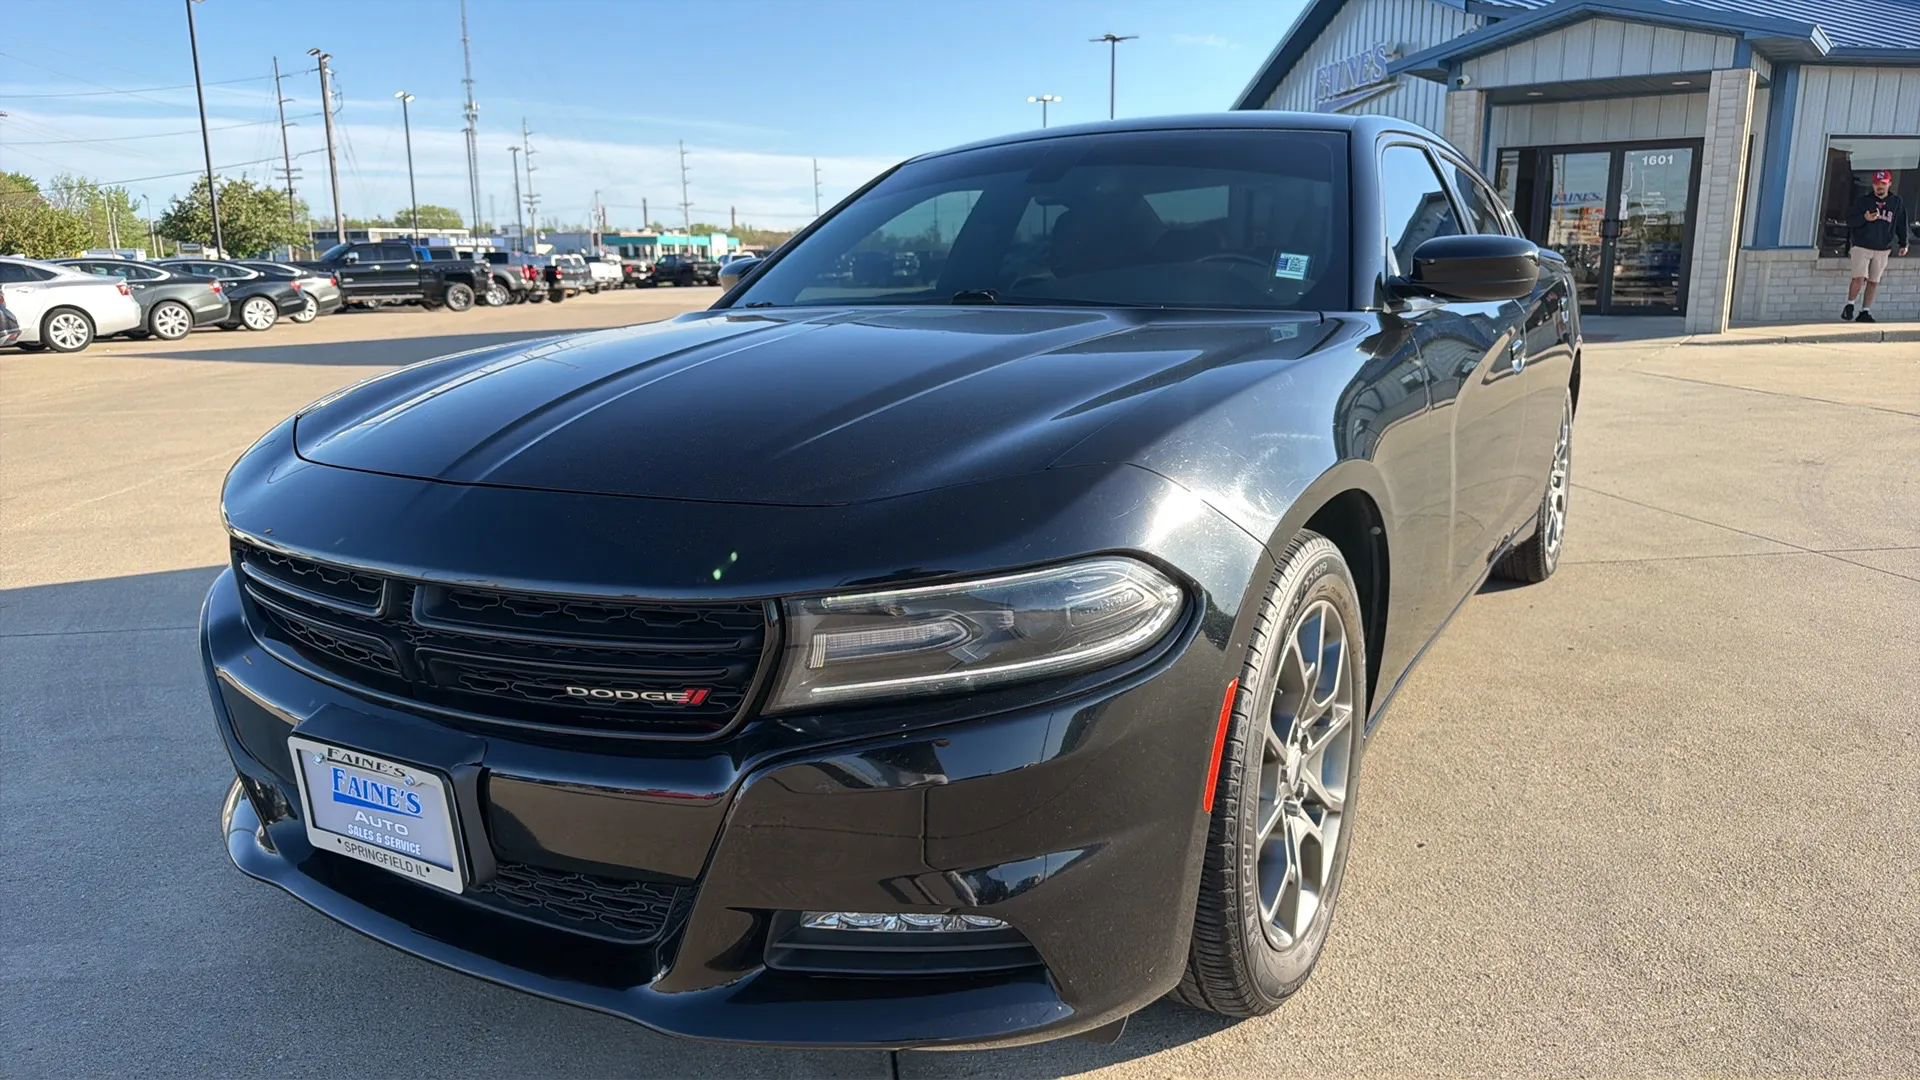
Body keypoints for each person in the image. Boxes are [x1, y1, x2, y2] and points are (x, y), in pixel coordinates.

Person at [1841, 169, 1910, 324]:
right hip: (1862, 246)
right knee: (1859, 278)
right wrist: (1864, 218)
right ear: (1873, 185)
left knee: (1874, 281)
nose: (1880, 187)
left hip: (1883, 248)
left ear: (1889, 184)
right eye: (1877, 184)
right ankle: (1850, 305)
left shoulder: (1896, 202)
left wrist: (1903, 243)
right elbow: (1850, 221)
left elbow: (1901, 224)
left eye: (1883, 184)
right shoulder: (1863, 201)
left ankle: (1865, 311)